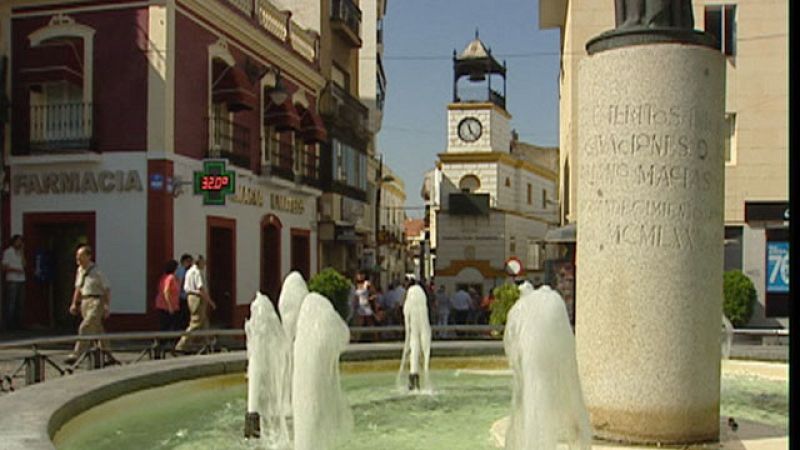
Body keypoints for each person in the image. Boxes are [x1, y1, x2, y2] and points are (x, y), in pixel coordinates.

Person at [65, 245, 112, 365]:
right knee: (97, 330)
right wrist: (74, 303)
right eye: (77, 256)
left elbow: (106, 289)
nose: (78, 258)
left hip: (96, 301)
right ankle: (108, 355)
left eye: (81, 256)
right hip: (85, 302)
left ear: (88, 256)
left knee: (85, 327)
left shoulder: (97, 271)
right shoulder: (80, 270)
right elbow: (78, 287)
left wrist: (106, 306)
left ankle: (77, 354)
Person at [175, 255, 216, 353]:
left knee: (204, 321)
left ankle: (207, 343)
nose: (205, 264)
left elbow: (185, 287)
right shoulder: (197, 272)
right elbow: (201, 289)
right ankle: (182, 344)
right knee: (196, 322)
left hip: (190, 297)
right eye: (204, 262)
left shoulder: (189, 271)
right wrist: (210, 302)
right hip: (197, 298)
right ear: (199, 262)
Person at [2, 235, 26, 331]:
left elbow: (24, 264)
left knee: (20, 303)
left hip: (21, 279)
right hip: (12, 280)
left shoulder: (20, 253)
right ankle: (9, 324)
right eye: (18, 241)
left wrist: (23, 253)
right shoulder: (8, 252)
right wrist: (16, 270)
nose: (20, 243)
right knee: (11, 303)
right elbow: (4, 267)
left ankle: (18, 323)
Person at [155, 259, 181, 349]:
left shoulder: (168, 277)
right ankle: (161, 344)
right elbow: (166, 291)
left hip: (173, 305)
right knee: (166, 326)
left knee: (169, 325)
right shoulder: (170, 278)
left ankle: (164, 343)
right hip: (167, 307)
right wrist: (169, 306)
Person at [351, 272, 376, 341]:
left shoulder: (367, 284)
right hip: (359, 306)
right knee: (359, 323)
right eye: (358, 275)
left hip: (366, 305)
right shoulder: (355, 285)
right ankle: (357, 339)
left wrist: (369, 299)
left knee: (370, 322)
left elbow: (374, 294)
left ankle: (375, 337)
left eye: (361, 274)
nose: (359, 276)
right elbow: (355, 297)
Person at [175, 254, 193, 329]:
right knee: (181, 317)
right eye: (188, 261)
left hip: (185, 296)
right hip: (181, 296)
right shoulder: (180, 270)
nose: (190, 264)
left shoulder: (188, 271)